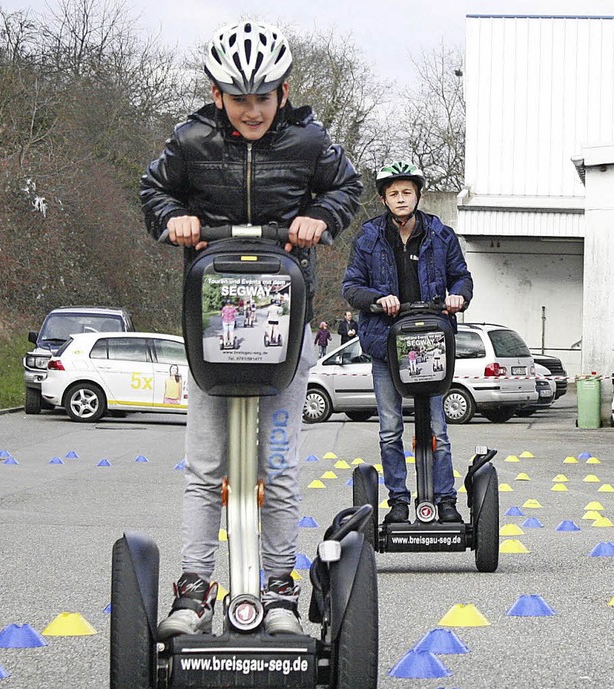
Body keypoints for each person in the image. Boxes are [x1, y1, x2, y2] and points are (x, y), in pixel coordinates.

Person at [140, 21, 362, 638]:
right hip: (214, 322)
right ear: (217, 96)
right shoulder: (189, 143)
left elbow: (348, 186)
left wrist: (319, 215)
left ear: (283, 92)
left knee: (281, 466)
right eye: (239, 99)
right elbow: (152, 190)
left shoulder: (311, 141)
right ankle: (193, 589)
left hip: (285, 327)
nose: (253, 110)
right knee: (206, 467)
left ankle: (281, 589)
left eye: (264, 97)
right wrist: (176, 219)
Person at [342, 161, 473, 525]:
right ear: (384, 198)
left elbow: (462, 277)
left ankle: (446, 500)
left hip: (430, 341)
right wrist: (377, 299)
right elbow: (350, 287)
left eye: (407, 192)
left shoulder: (440, 234)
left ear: (417, 195)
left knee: (438, 430)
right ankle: (398, 501)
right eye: (393, 193)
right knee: (390, 429)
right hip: (386, 343)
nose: (401, 199)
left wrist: (458, 297)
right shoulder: (368, 238)